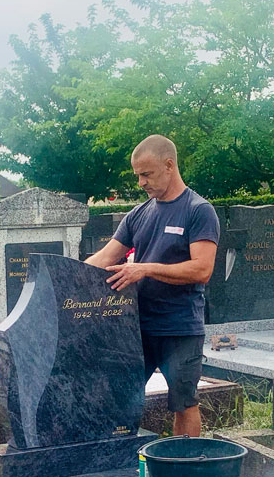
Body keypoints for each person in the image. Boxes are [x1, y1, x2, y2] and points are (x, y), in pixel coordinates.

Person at [85, 135, 219, 436]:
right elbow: (107, 256)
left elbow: (202, 269)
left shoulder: (199, 211)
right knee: (119, 396)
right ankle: (119, 462)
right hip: (137, 327)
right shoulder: (139, 214)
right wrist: (64, 275)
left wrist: (144, 269)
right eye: (138, 176)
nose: (141, 183)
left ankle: (184, 465)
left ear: (169, 165)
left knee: (183, 403)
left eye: (147, 174)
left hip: (179, 327)